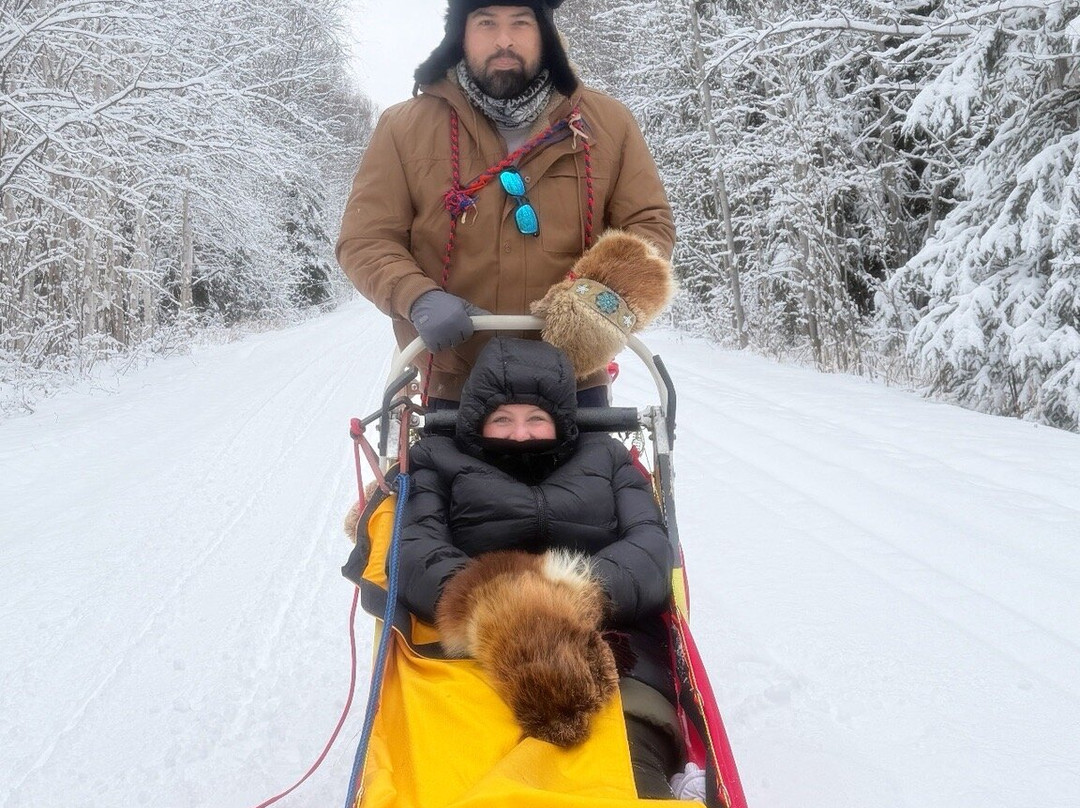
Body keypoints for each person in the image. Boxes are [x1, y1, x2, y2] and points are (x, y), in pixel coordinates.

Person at [337, 0, 676, 408]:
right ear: (460, 33)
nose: (503, 40)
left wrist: (599, 299)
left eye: (520, 23)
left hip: (576, 381)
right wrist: (416, 296)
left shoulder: (610, 124)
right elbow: (366, 238)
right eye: (485, 23)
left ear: (545, 32)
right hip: (450, 381)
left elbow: (648, 228)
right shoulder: (402, 128)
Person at [396, 336, 682, 799]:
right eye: (502, 419)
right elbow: (413, 548)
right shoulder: (436, 460)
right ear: (476, 419)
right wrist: (494, 610)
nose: (520, 433)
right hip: (476, 647)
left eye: (536, 418)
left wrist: (581, 594)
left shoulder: (607, 458)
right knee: (467, 766)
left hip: (608, 634)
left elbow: (650, 545)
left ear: (562, 420)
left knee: (619, 762)